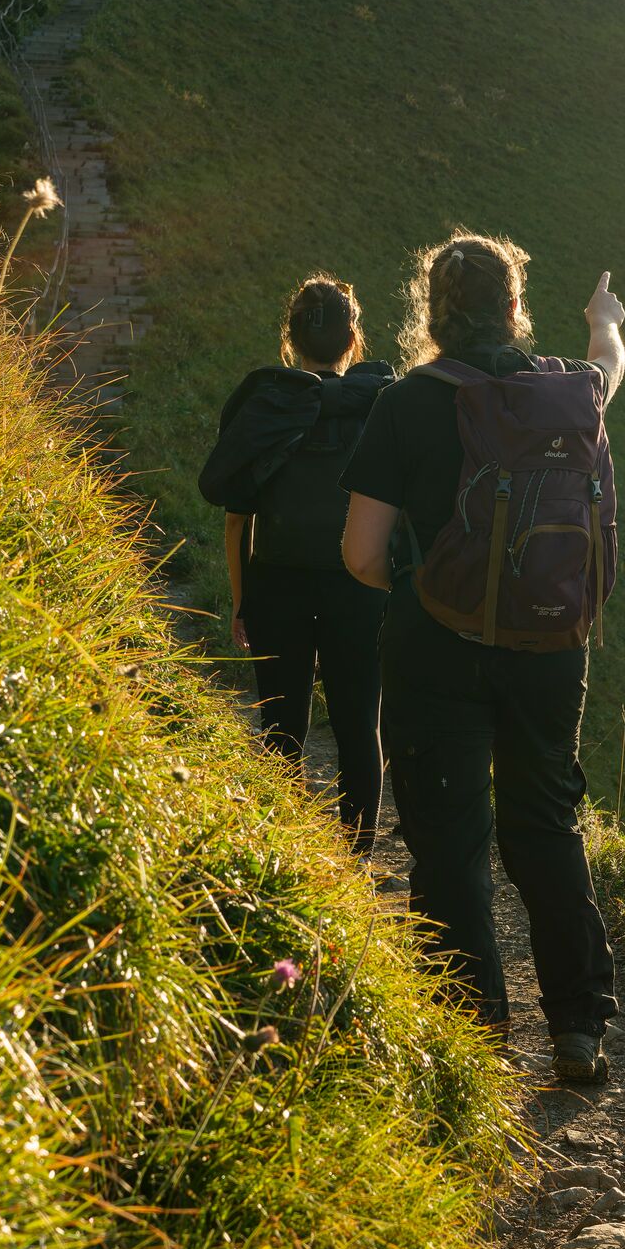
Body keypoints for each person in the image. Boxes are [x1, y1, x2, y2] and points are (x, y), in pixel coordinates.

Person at [340, 232, 625, 1087]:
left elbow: (361, 554)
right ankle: (577, 1026)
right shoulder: (569, 393)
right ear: (513, 307)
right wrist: (604, 319)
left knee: (449, 837)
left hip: (435, 647)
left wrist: (419, 583)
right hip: (549, 643)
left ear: (430, 312)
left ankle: (473, 1035)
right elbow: (610, 366)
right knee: (545, 823)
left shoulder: (404, 404)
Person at [197, 274, 390, 846]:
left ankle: (284, 855)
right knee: (359, 726)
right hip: (359, 586)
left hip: (277, 584)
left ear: (291, 337)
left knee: (281, 726)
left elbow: (237, 517)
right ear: (354, 337)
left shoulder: (267, 404)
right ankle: (354, 861)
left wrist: (241, 601)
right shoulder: (378, 404)